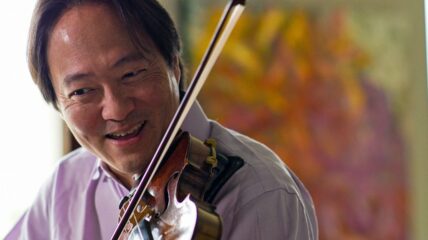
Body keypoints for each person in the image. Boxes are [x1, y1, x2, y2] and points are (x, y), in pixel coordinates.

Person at [6, 0, 318, 239]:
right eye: (82, 91)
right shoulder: (65, 187)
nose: (116, 109)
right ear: (57, 103)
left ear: (174, 65)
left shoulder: (260, 194)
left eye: (131, 73)